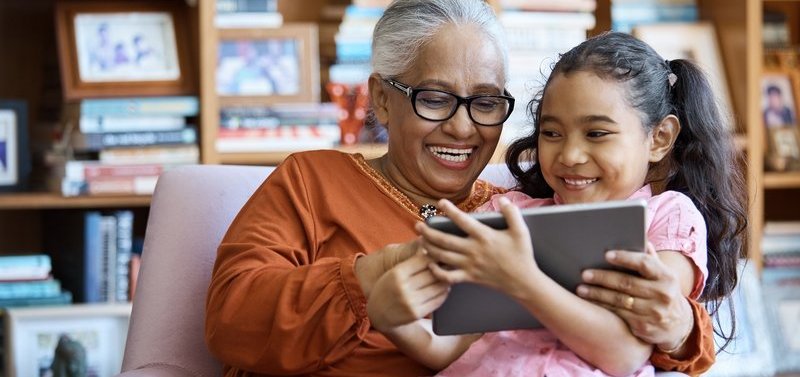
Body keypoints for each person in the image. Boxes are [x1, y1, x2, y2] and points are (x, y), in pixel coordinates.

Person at [205, 1, 717, 376]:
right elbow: (232, 319)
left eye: (486, 102)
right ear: (381, 100)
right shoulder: (311, 181)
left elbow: (647, 338)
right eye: (435, 98)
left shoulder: (516, 213)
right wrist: (370, 277)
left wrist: (680, 328)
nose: (464, 128)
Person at [378, 32, 746, 376]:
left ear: (660, 138)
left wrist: (522, 280)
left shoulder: (667, 218)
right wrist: (389, 316)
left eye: (597, 134)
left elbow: (625, 353)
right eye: (551, 133)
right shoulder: (506, 214)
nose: (569, 155)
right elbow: (449, 347)